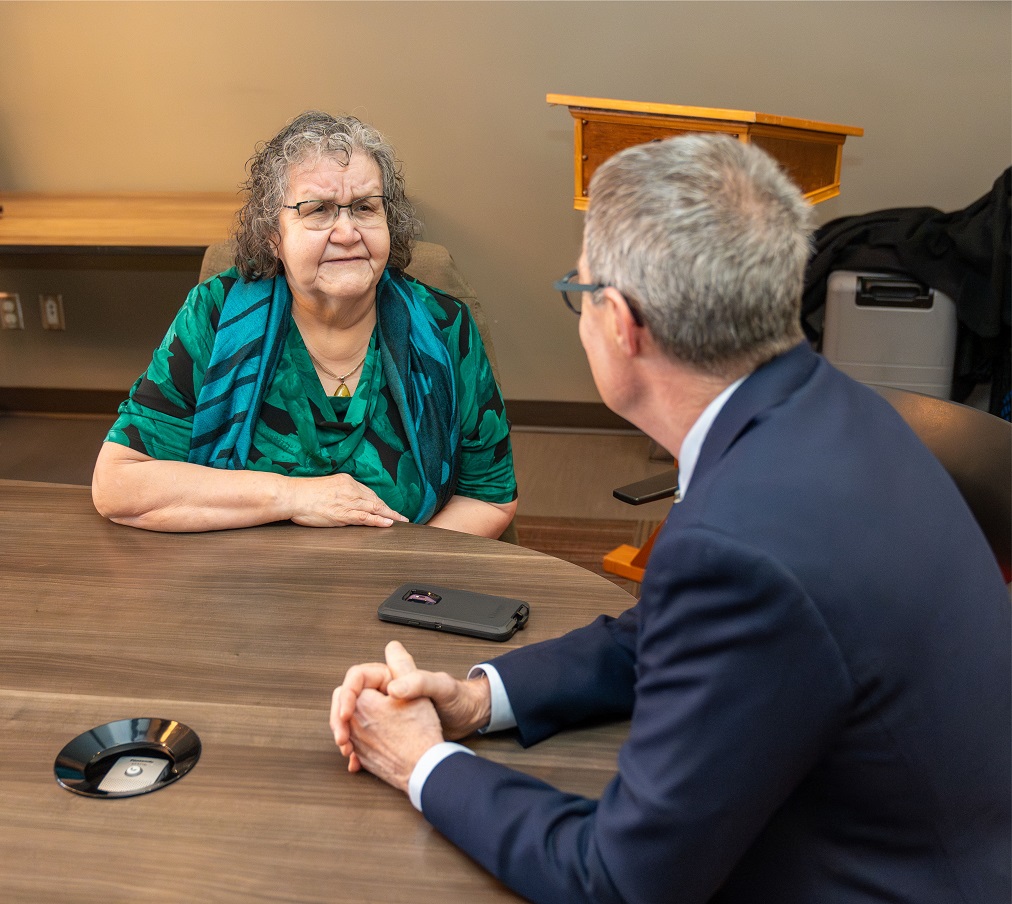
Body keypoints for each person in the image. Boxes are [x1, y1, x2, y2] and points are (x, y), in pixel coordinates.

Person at [330, 134, 1011, 903]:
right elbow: (672, 629)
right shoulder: (841, 410)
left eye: (578, 291)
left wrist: (422, 762)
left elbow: (616, 881)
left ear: (620, 323)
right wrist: (479, 699)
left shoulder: (737, 544)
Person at [91, 111, 517, 537]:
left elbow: (489, 496)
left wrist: (401, 576)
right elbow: (119, 485)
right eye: (319, 210)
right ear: (273, 233)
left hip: (397, 588)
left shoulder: (444, 326)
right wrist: (295, 496)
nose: (347, 232)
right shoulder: (217, 314)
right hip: (243, 587)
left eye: (366, 207)